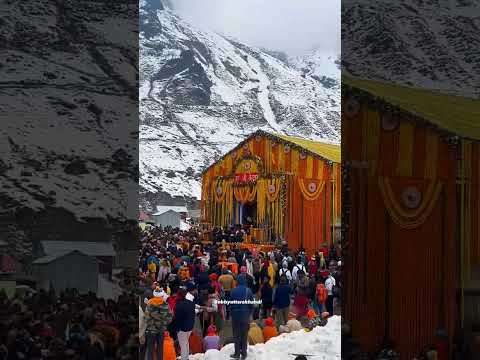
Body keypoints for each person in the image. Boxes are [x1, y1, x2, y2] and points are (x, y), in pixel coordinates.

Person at [229, 273, 254, 359]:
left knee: (236, 335)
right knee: (244, 335)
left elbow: (230, 305)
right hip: (245, 316)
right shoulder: (248, 291)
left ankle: (236, 354)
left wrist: (231, 314)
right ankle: (244, 353)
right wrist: (249, 313)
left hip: (236, 316)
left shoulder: (233, 291)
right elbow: (251, 305)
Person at [144, 288, 173, 360]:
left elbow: (146, 318)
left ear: (154, 295)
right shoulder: (166, 305)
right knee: (160, 349)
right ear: (162, 295)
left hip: (151, 330)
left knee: (150, 349)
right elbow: (169, 318)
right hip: (161, 330)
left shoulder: (149, 304)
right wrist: (164, 324)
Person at [174, 287, 196, 360]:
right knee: (186, 343)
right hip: (190, 326)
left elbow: (177, 318)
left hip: (182, 328)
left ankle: (184, 358)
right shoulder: (191, 303)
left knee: (183, 345)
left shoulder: (178, 305)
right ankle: (186, 357)